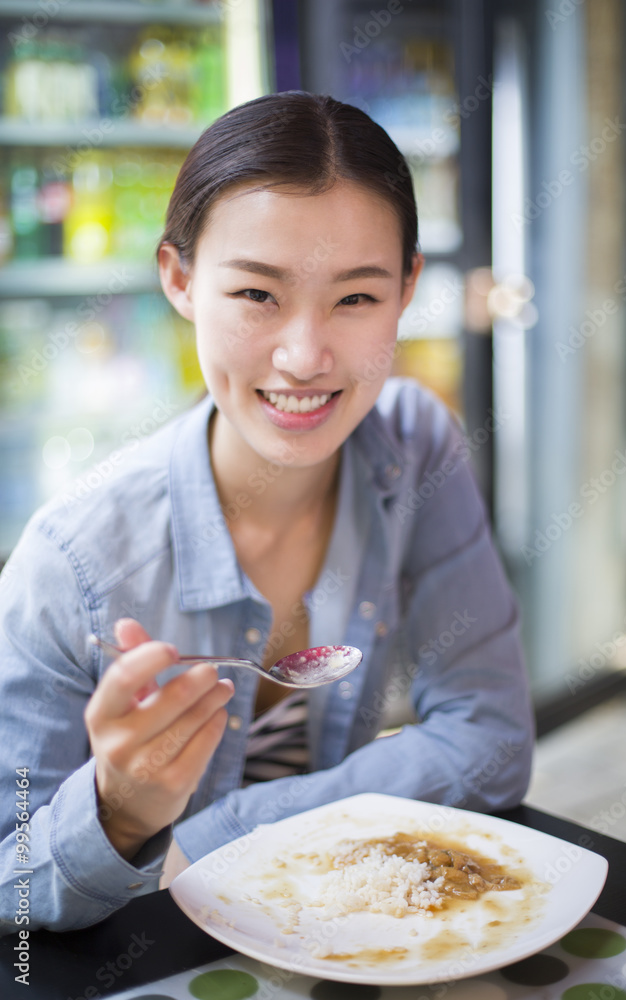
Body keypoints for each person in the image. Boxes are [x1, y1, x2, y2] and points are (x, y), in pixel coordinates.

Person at [0, 92, 534, 935]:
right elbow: (10, 888)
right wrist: (121, 812)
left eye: (356, 299)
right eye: (256, 293)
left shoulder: (414, 447)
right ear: (178, 279)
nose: (304, 357)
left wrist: (212, 835)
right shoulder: (70, 562)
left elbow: (491, 738)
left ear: (406, 289)